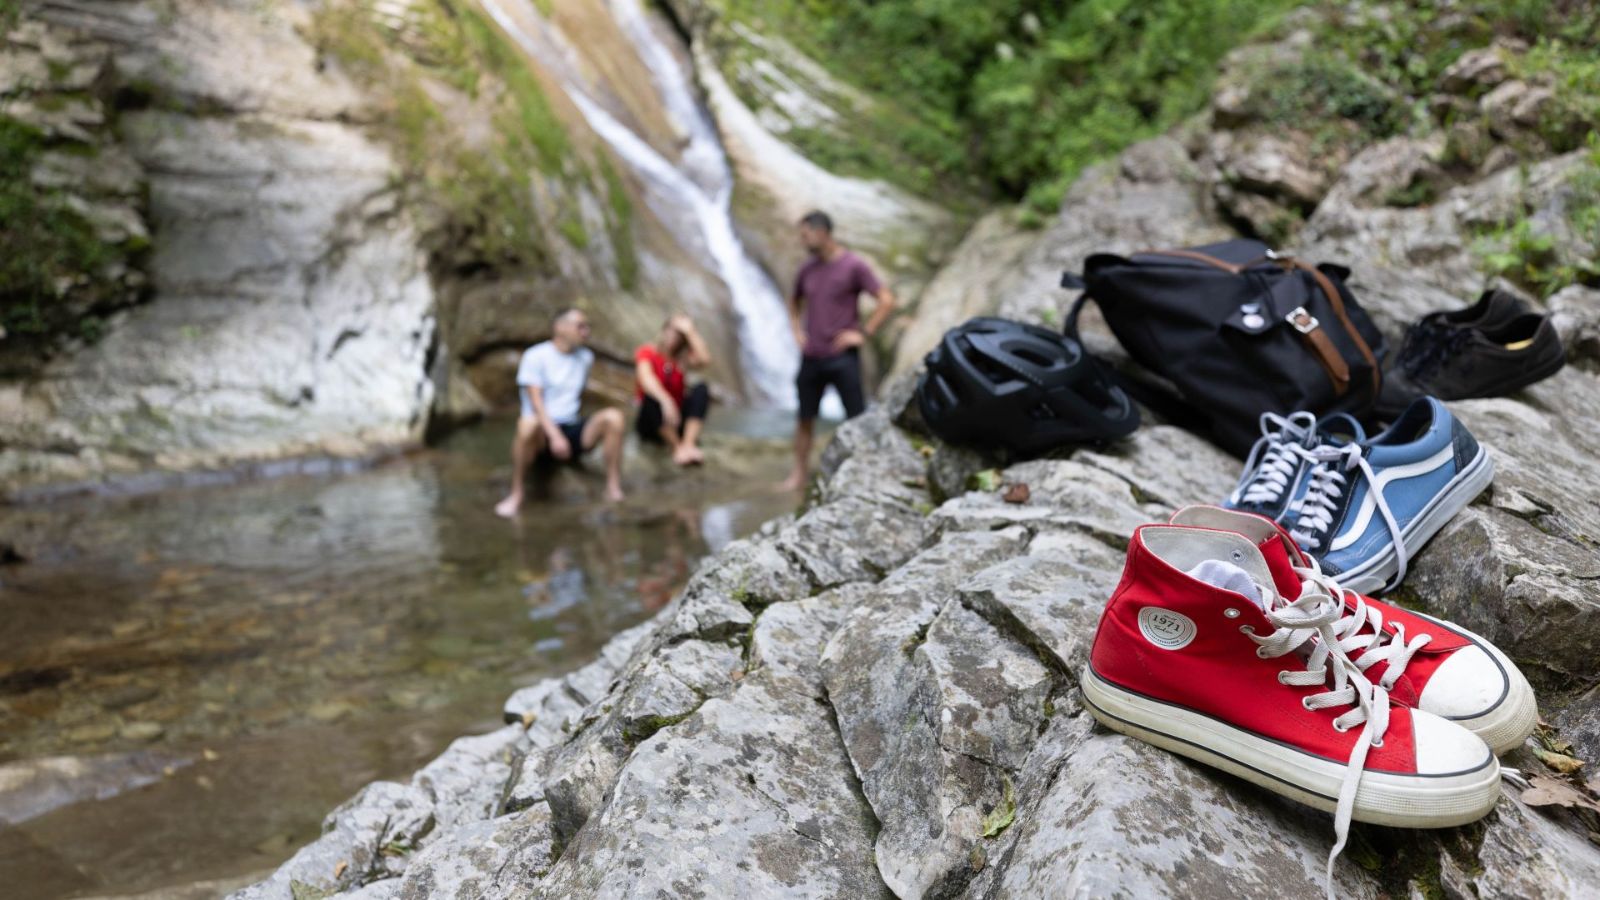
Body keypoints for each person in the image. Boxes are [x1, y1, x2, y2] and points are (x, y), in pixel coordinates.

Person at [779, 209, 896, 491]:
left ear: (822, 233)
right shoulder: (807, 269)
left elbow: (886, 300)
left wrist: (863, 333)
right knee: (804, 418)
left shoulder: (853, 265)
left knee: (856, 417)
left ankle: (865, 473)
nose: (802, 240)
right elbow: (794, 302)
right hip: (811, 356)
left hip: (842, 357)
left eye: (805, 235)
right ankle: (798, 475)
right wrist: (796, 331)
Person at [494, 308, 626, 516]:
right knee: (526, 424)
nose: (586, 332)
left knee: (614, 417)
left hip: (571, 427)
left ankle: (613, 486)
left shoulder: (586, 357)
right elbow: (536, 403)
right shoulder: (535, 356)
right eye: (580, 326)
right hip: (542, 432)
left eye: (587, 327)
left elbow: (578, 396)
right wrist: (555, 436)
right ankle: (516, 492)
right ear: (560, 328)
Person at [634, 313, 713, 466]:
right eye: (672, 330)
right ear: (664, 330)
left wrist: (690, 331)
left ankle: (688, 444)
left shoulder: (682, 359)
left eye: (679, 334)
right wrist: (666, 401)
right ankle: (677, 448)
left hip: (675, 420)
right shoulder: (647, 351)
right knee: (651, 396)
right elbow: (645, 379)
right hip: (653, 422)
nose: (674, 336)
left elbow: (705, 360)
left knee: (701, 389)